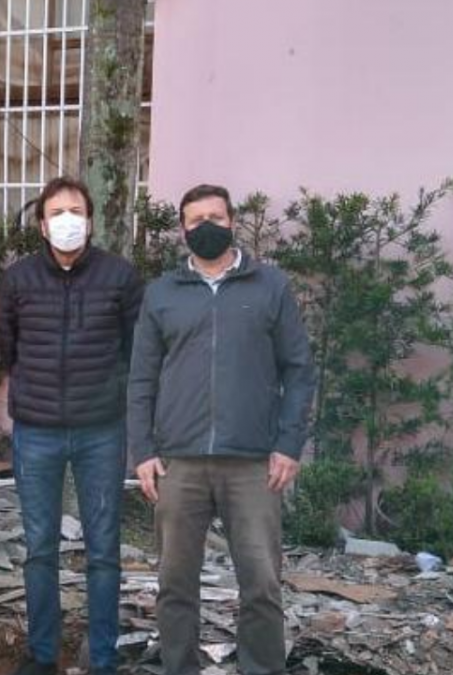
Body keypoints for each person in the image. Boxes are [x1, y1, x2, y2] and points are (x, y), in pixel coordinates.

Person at [127, 184, 316, 675]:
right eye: (195, 219)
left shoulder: (270, 286)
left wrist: (289, 444)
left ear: (232, 221)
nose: (206, 226)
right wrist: (142, 450)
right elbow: (141, 377)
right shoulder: (162, 293)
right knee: (175, 584)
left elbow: (298, 370)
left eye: (215, 216)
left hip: (253, 463)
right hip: (179, 463)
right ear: (182, 229)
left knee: (261, 584)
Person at [0, 176, 143, 675]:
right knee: (40, 549)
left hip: (101, 430)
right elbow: (8, 346)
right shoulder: (18, 279)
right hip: (36, 431)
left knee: (103, 550)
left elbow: (134, 349)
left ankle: (102, 658)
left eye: (75, 211)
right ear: (42, 225)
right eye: (56, 212)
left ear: (91, 220)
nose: (67, 221)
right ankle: (42, 656)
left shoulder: (120, 276)